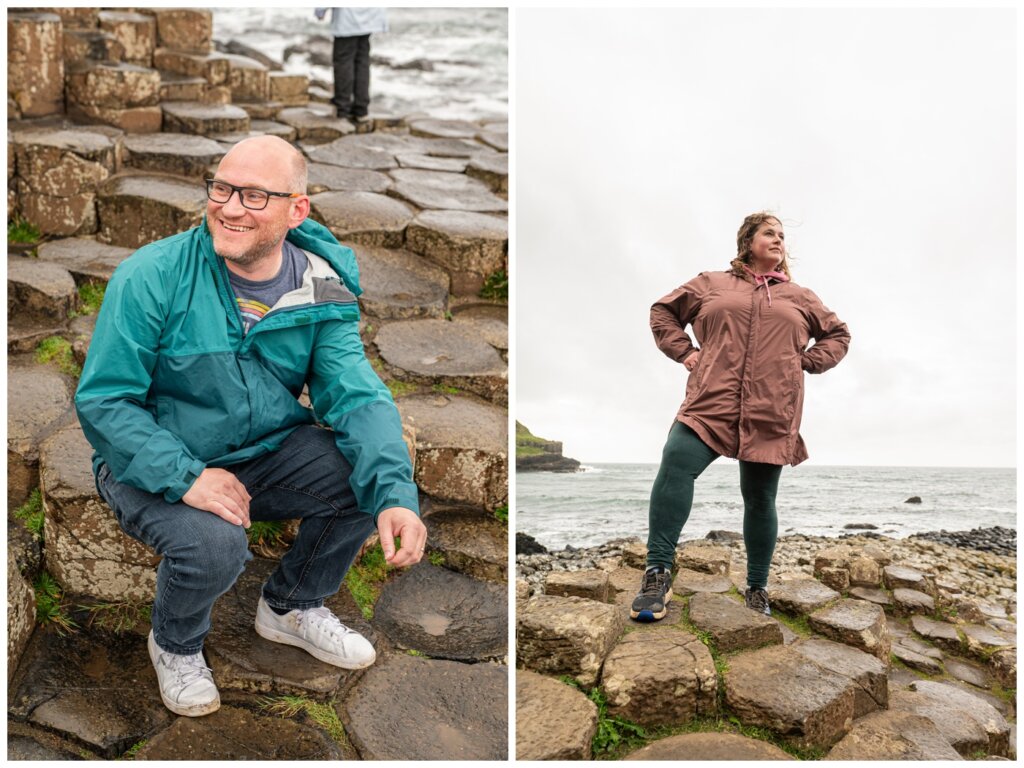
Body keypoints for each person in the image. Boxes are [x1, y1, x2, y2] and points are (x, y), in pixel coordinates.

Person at [74, 135, 427, 717]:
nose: (230, 207)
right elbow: (106, 402)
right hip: (146, 458)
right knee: (215, 544)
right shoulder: (151, 276)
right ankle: (175, 642)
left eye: (255, 195)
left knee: (368, 471)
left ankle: (290, 604)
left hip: (262, 450)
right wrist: (188, 477)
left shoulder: (322, 289)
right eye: (222, 187)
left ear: (297, 209)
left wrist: (395, 494)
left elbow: (358, 397)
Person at [631, 212, 850, 622]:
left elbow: (839, 335)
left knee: (761, 498)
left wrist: (805, 362)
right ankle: (658, 571)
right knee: (676, 463)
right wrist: (687, 352)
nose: (779, 240)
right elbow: (663, 311)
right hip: (711, 401)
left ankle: (757, 588)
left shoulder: (800, 296)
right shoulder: (711, 283)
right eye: (770, 232)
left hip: (772, 407)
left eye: (782, 235)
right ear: (748, 241)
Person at [314, 7, 388, 123]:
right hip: (369, 19)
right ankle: (361, 110)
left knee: (344, 64)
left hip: (347, 21)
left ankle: (342, 109)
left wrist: (320, 11)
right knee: (362, 63)